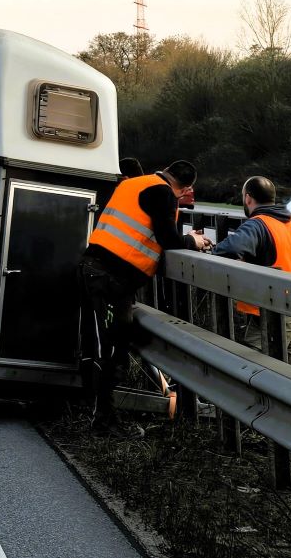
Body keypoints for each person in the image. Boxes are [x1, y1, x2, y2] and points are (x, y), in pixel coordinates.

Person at [77, 160, 211, 425]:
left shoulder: (134, 184)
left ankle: (95, 410)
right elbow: (168, 239)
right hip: (111, 279)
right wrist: (192, 241)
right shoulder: (163, 192)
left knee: (99, 343)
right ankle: (103, 421)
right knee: (113, 348)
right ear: (186, 189)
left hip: (94, 269)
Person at [211, 176, 291, 370]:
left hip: (277, 308)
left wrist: (211, 249)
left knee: (252, 367)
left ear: (248, 198)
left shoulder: (257, 224)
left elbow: (230, 249)